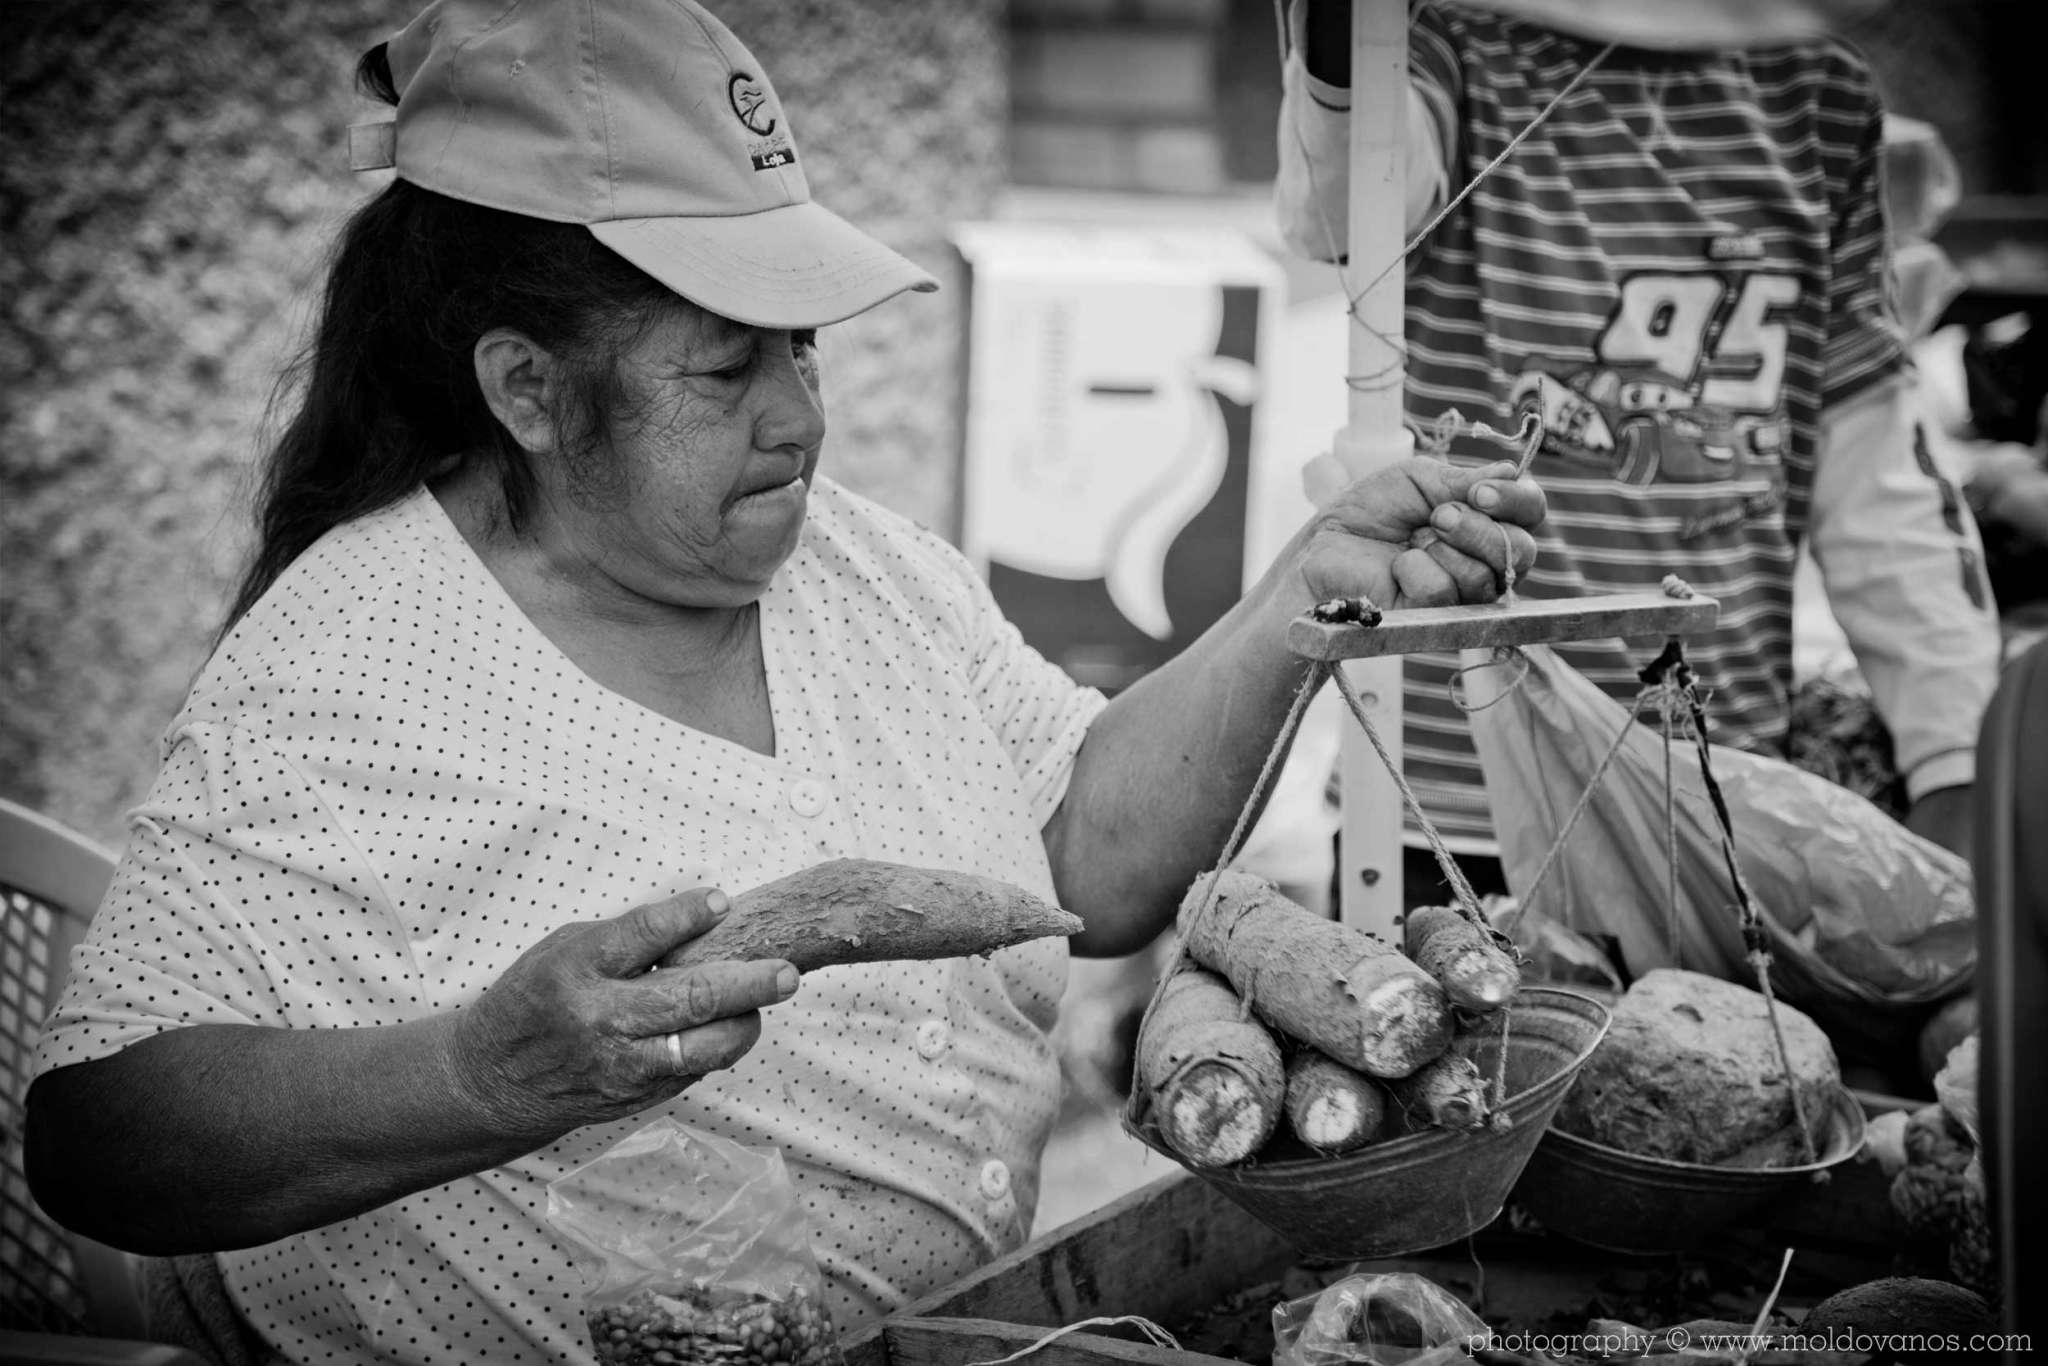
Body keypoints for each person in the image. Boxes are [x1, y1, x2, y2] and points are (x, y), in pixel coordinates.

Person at [21, 2, 1544, 1362]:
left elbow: (1082, 855)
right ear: (527, 389)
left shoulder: (865, 573)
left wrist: (1301, 594)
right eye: (724, 367)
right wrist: (479, 1073)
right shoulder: (353, 656)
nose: (799, 418)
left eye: (800, 349)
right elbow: (98, 1133)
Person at [1273, 0, 2000, 883]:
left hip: (1712, 790)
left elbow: (1879, 479)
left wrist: (1956, 756)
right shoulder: (1451, 53)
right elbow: (1337, 206)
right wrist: (1345, 42)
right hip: (1449, 802)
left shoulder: (1818, 92)